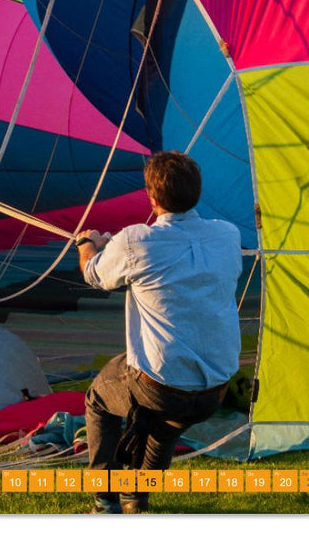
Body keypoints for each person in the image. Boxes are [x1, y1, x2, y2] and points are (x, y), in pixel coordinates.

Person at [76, 150, 242, 514]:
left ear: (151, 199)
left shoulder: (136, 240)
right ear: (197, 192)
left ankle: (104, 500)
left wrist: (88, 243)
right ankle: (137, 498)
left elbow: (94, 274)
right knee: (163, 427)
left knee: (99, 400)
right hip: (214, 389)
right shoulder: (228, 236)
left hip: (158, 387)